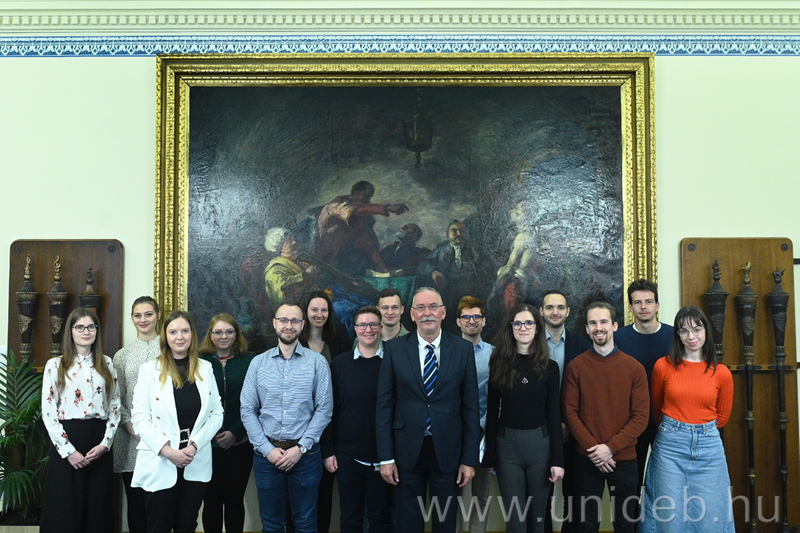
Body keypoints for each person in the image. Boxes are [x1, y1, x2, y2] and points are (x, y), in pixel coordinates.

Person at [376, 287, 481, 533]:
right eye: (420, 308)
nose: (427, 313)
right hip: (405, 453)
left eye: (433, 307)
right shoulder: (395, 349)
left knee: (445, 522)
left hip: (448, 452)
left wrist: (469, 460)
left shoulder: (462, 349)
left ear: (443, 312)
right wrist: (386, 458)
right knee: (408, 522)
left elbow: (471, 408)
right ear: (412, 314)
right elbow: (384, 407)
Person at [240, 302, 333, 533]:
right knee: (271, 524)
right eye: (283, 320)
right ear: (274, 323)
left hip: (306, 456)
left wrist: (301, 448)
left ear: (302, 325)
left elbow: (324, 410)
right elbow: (247, 409)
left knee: (305, 522)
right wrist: (267, 449)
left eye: (294, 321)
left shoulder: (317, 362)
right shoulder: (258, 363)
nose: (288, 325)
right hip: (267, 456)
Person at [641, 306, 734, 532]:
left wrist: (699, 430)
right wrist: (676, 429)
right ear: (677, 335)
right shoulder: (663, 366)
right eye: (684, 331)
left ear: (706, 331)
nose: (691, 336)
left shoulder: (721, 372)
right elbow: (657, 409)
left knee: (711, 514)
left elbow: (722, 417)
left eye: (697, 329)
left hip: (709, 448)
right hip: (670, 447)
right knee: (668, 514)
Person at [131, 310, 224, 533]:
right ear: (165, 336)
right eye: (173, 332)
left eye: (185, 331)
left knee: (187, 525)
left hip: (195, 459)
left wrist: (194, 446)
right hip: (160, 459)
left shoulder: (206, 368)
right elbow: (140, 418)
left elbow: (217, 414)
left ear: (192, 334)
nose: (179, 337)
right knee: (158, 526)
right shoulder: (149, 370)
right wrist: (168, 451)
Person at [562, 301, 649, 533]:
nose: (598, 327)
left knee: (625, 524)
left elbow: (640, 417)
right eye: (593, 323)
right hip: (586, 459)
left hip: (624, 459)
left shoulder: (634, 368)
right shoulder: (576, 367)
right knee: (586, 525)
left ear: (615, 326)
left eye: (603, 322)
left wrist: (610, 448)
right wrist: (595, 450)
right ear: (587, 329)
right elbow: (570, 413)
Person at [482, 304, 564, 533]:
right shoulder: (498, 363)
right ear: (511, 328)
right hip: (507, 448)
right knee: (515, 521)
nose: (523, 328)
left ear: (537, 328)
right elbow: (492, 411)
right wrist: (489, 455)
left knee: (537, 520)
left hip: (540, 448)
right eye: (517, 323)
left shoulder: (550, 368)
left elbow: (554, 415)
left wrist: (558, 460)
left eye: (529, 323)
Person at [40, 308, 120, 533]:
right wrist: (68, 451)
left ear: (97, 330)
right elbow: (48, 411)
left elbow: (115, 406)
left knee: (98, 510)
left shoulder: (107, 363)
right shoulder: (55, 365)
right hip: (68, 441)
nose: (86, 331)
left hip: (99, 443)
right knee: (65, 510)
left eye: (91, 327)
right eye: (80, 327)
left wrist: (105, 444)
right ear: (71, 331)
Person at [322, 306, 393, 533]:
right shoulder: (340, 364)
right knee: (350, 518)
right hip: (347, 456)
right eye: (362, 325)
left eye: (373, 324)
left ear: (381, 327)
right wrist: (328, 451)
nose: (368, 330)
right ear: (355, 329)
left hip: (384, 457)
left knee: (380, 518)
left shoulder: (393, 362)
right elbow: (328, 410)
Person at [613, 279, 674, 505]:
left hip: (666, 421)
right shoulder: (619, 338)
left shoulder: (674, 336)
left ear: (657, 305)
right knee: (631, 483)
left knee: (665, 482)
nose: (643, 307)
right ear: (630, 307)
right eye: (637, 302)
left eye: (648, 302)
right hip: (631, 422)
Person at [296, 290, 350, 533]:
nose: (319, 314)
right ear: (305, 312)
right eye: (314, 309)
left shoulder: (340, 340)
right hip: (298, 426)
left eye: (324, 310)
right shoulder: (294, 341)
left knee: (324, 492)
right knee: (298, 494)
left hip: (331, 426)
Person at [198, 313, 256, 533]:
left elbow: (256, 401)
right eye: (218, 332)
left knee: (234, 500)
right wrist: (210, 432)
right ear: (210, 335)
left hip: (240, 443)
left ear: (236, 335)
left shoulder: (250, 361)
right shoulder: (199, 361)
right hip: (207, 445)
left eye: (229, 332)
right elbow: (194, 403)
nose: (224, 336)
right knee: (211, 500)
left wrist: (235, 432)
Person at [539, 289, 591, 533]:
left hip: (574, 431)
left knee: (574, 494)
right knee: (541, 494)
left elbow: (588, 393)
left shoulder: (582, 345)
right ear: (541, 312)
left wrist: (570, 424)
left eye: (560, 307)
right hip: (540, 430)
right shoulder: (531, 344)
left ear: (568, 312)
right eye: (550, 307)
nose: (555, 312)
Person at [113, 296, 162, 533]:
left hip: (163, 437)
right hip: (131, 439)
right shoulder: (122, 356)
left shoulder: (170, 349)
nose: (143, 320)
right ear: (132, 318)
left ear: (158, 315)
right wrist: (133, 428)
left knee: (160, 503)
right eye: (137, 315)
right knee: (135, 502)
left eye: (148, 314)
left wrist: (155, 434)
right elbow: (116, 398)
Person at [455, 296, 494, 533]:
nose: (472, 321)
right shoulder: (447, 351)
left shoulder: (494, 354)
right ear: (458, 321)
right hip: (454, 432)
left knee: (482, 492)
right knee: (454, 491)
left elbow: (498, 396)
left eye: (476, 317)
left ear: (484, 321)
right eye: (467, 317)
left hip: (483, 432)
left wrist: (484, 427)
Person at [317, 180, 409, 274]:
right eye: (366, 196)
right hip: (317, 255)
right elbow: (357, 211)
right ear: (356, 193)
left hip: (335, 259)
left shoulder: (357, 219)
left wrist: (379, 263)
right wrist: (387, 208)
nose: (368, 201)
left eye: (369, 197)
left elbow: (365, 241)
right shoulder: (337, 204)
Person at [417, 220, 482, 333]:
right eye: (454, 231)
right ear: (447, 234)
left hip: (469, 294)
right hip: (447, 294)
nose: (458, 234)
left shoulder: (473, 251)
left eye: (461, 231)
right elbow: (424, 265)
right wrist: (434, 272)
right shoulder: (440, 251)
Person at [264, 227, 318, 311]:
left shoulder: (297, 262)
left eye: (293, 239)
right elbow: (284, 292)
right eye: (289, 241)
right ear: (280, 249)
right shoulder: (274, 270)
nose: (294, 242)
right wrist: (306, 275)